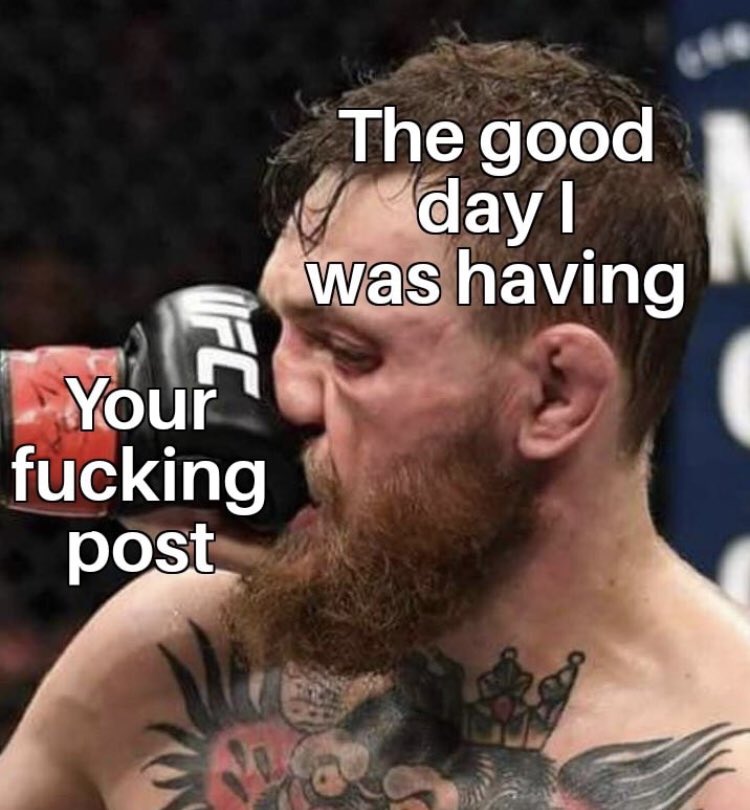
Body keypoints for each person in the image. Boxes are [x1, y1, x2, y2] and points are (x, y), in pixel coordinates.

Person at [2, 38, 749, 810]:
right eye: (277, 329)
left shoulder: (725, 774)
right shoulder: (173, 650)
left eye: (349, 352)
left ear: (555, 395)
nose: (284, 393)